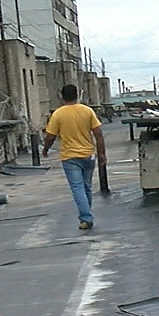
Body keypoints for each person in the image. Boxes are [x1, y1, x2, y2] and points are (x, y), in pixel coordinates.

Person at [42, 84, 107, 230]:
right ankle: (87, 213)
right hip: (88, 154)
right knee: (86, 187)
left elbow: (50, 136)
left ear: (61, 96)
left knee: (77, 187)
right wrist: (102, 153)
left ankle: (86, 218)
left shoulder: (58, 114)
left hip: (70, 156)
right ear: (77, 95)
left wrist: (45, 149)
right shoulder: (87, 111)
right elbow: (98, 133)